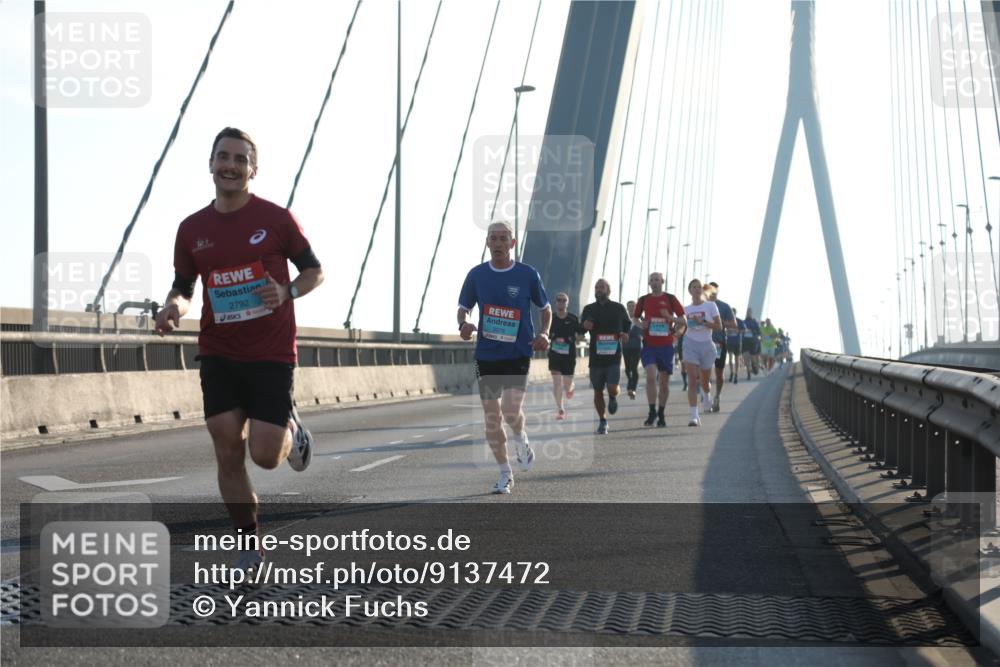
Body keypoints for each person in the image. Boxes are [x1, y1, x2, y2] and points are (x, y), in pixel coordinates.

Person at [154, 127, 324, 572]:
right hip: (219, 350)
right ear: (211, 164)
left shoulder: (276, 218)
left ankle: (291, 427)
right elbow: (184, 286)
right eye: (223, 157)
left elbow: (315, 271)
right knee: (227, 445)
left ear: (253, 169)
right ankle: (248, 544)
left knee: (265, 456)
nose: (230, 166)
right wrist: (173, 307)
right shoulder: (191, 229)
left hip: (270, 352)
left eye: (240, 159)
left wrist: (286, 292)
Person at [458, 221, 551, 494]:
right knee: (491, 417)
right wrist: (463, 324)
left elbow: (544, 309)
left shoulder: (527, 274)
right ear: (487, 243)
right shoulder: (476, 275)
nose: (498, 243)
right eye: (493, 238)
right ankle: (505, 473)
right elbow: (463, 308)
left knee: (510, 410)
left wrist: (545, 332)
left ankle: (521, 439)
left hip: (518, 351)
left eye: (503, 238)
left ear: (512, 244)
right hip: (486, 354)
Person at [633, 272, 686, 427]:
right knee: (650, 377)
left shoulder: (670, 298)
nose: (655, 282)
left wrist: (670, 318)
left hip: (666, 346)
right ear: (649, 283)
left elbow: (683, 320)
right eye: (652, 280)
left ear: (662, 282)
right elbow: (634, 318)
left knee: (663, 383)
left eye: (657, 280)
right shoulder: (643, 300)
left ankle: (661, 413)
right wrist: (641, 325)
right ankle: (651, 412)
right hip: (649, 346)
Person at [580, 279, 631, 435]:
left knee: (611, 387)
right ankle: (603, 421)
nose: (598, 290)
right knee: (597, 391)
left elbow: (627, 324)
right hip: (595, 357)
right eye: (596, 287)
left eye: (601, 287)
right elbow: (581, 331)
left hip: (613, 356)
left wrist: (625, 334)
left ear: (608, 290)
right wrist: (584, 327)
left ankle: (613, 396)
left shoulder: (618, 308)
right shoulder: (589, 309)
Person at [681, 279, 722, 426]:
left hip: (706, 345)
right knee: (692, 380)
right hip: (690, 344)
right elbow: (680, 326)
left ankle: (707, 395)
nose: (697, 289)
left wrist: (702, 322)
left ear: (702, 290)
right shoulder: (685, 309)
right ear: (690, 291)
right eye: (694, 287)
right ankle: (694, 415)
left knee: (704, 381)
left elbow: (718, 326)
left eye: (699, 287)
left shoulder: (710, 306)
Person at [704, 282, 737, 413]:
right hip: (703, 342)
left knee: (718, 372)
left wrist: (720, 322)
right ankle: (707, 397)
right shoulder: (701, 306)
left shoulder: (724, 307)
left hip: (719, 343)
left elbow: (734, 324)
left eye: (714, 290)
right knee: (703, 373)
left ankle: (717, 395)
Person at [547, 293, 581, 420]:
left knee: (566, 386)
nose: (561, 302)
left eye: (564, 300)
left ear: (567, 303)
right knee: (556, 382)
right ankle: (560, 409)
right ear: (555, 303)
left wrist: (574, 338)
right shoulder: (551, 317)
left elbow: (580, 335)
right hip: (555, 354)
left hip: (569, 355)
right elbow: (546, 332)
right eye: (559, 300)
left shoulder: (573, 318)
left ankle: (571, 387)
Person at [623, 300, 643, 400]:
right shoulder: (624, 319)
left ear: (636, 307)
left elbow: (645, 329)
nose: (631, 308)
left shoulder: (640, 318)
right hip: (626, 346)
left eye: (633, 306)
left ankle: (632, 388)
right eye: (629, 306)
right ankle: (630, 381)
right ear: (627, 308)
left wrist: (642, 336)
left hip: (636, 347)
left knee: (634, 368)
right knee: (627, 369)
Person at [726, 312, 746, 384]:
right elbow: (723, 329)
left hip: (737, 342)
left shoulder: (739, 321)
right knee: (730, 359)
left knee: (737, 359)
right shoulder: (727, 321)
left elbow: (744, 330)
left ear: (735, 314)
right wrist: (727, 331)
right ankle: (731, 372)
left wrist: (737, 331)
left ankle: (736, 374)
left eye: (733, 314)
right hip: (729, 342)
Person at [742, 307, 762, 378]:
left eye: (750, 312)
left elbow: (759, 332)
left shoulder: (754, 322)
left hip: (753, 342)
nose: (748, 313)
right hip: (744, 342)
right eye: (747, 312)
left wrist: (753, 331)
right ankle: (748, 373)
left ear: (751, 313)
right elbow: (739, 331)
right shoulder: (743, 322)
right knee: (746, 358)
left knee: (752, 358)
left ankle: (754, 367)